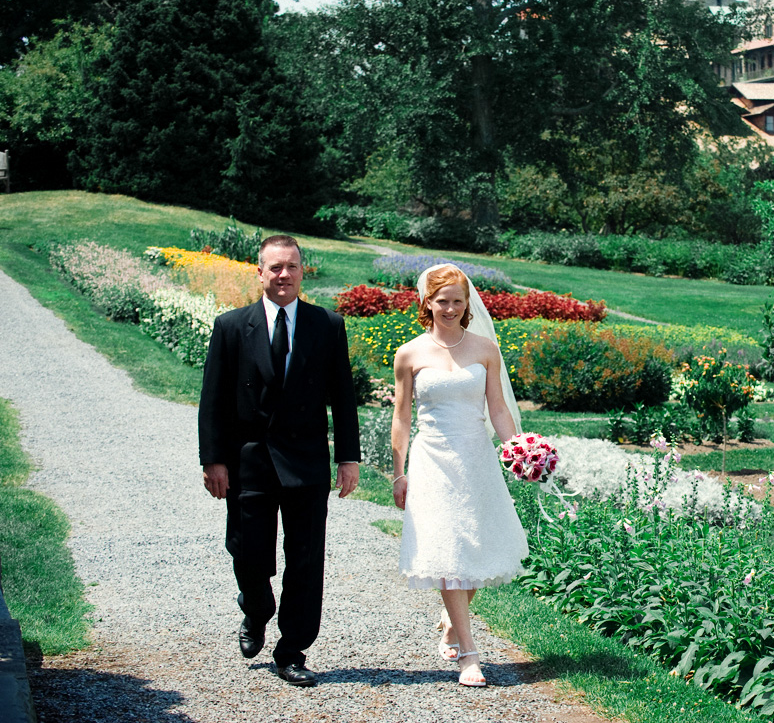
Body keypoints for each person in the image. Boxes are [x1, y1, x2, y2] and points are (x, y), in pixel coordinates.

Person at [198, 235, 360, 688]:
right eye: (274, 268)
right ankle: (257, 608)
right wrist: (214, 461)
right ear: (260, 273)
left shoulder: (327, 325)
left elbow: (343, 398)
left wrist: (348, 457)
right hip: (248, 461)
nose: (283, 275)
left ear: (302, 271)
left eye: (291, 266)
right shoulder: (231, 327)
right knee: (247, 552)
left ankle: (292, 650)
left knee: (305, 561)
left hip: (306, 463)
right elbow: (212, 400)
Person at [391, 263, 528, 688]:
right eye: (441, 300)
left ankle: (452, 621)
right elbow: (401, 417)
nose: (449, 308)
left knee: (477, 546)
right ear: (426, 303)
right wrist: (398, 473)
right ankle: (470, 655)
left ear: (467, 303)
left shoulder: (486, 349)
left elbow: (499, 409)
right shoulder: (410, 354)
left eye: (456, 301)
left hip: (476, 459)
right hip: (432, 461)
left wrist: (520, 450)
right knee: (449, 550)